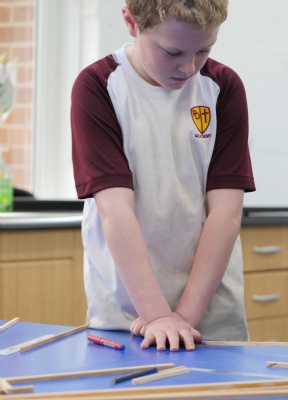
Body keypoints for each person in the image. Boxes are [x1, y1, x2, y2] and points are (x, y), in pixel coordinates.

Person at [71, 0, 255, 352]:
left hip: (210, 312)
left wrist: (183, 317)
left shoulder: (223, 87)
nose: (189, 67)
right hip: (129, 315)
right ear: (131, 22)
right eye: (172, 52)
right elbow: (115, 212)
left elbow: (226, 213)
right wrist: (156, 316)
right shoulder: (98, 87)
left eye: (204, 50)